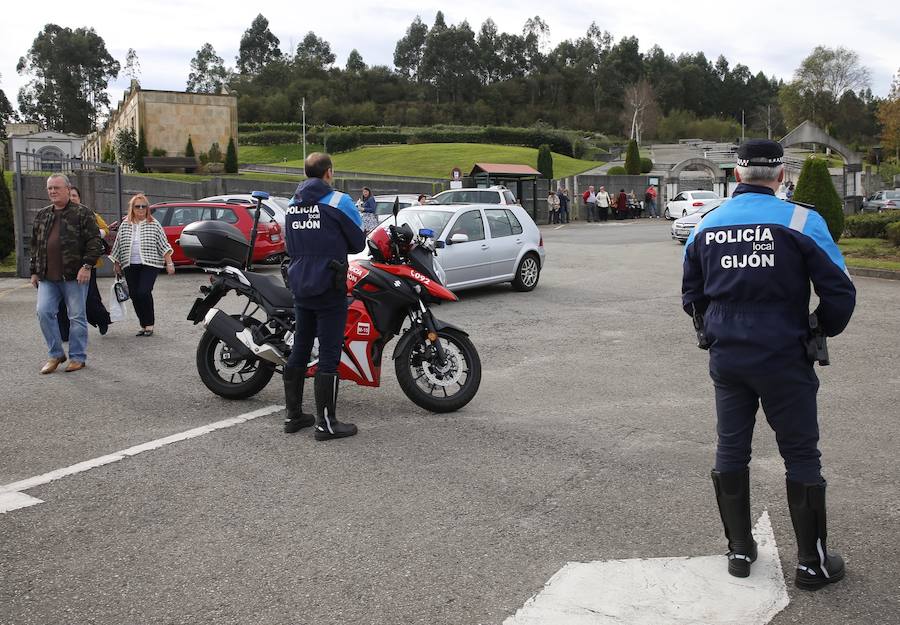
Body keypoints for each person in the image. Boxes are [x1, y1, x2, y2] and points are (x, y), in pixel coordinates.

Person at [682, 139, 856, 589]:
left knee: (731, 448)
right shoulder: (802, 219)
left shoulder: (708, 223)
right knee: (800, 454)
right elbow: (839, 291)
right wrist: (819, 329)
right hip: (784, 353)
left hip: (728, 355)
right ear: (780, 176)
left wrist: (713, 330)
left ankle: (739, 551)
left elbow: (691, 294)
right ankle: (810, 565)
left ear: (736, 175)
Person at [283, 152, 366, 440]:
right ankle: (326, 424)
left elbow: (288, 243)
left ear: (307, 174)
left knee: (301, 348)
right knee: (329, 353)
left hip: (300, 285)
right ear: (328, 172)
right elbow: (358, 242)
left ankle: (293, 416)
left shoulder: (292, 204)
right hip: (329, 285)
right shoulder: (338, 201)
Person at [30, 174, 104, 374]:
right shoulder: (43, 215)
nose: (53, 191)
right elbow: (36, 245)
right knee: (44, 312)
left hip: (74, 275)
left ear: (67, 188)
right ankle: (55, 354)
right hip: (47, 277)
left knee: (76, 316)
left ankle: (78, 357)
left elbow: (95, 242)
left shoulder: (83, 213)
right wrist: (34, 271)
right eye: (50, 188)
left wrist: (87, 266)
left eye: (56, 187)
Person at [110, 194, 175, 337]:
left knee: (143, 292)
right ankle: (143, 324)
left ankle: (150, 324)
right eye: (137, 206)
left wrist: (169, 263)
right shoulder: (125, 224)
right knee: (134, 294)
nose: (140, 209)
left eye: (143, 206)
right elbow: (118, 245)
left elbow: (163, 244)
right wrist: (116, 263)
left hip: (150, 263)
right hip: (129, 264)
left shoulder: (154, 224)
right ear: (132, 208)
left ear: (147, 209)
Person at [57, 185, 112, 339]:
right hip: (63, 265)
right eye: (70, 195)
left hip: (87, 265)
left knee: (89, 299)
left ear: (79, 198)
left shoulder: (89, 214)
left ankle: (102, 319)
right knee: (61, 300)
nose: (72, 198)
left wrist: (95, 233)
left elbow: (105, 229)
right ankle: (65, 333)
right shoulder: (56, 214)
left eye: (75, 195)